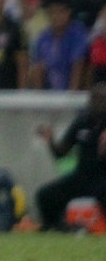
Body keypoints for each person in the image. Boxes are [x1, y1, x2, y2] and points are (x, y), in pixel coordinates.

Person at [34, 83, 106, 232]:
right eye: (95, 99)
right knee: (45, 195)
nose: (98, 103)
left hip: (103, 176)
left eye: (102, 99)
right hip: (83, 175)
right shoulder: (82, 122)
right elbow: (62, 153)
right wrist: (51, 140)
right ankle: (58, 227)